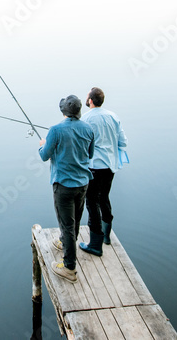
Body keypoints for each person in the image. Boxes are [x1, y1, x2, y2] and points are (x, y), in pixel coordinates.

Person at [38, 95, 94, 283]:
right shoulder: (88, 128)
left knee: (67, 225)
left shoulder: (55, 130)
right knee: (76, 220)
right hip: (83, 183)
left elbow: (44, 156)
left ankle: (69, 267)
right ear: (79, 110)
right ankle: (64, 242)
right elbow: (90, 153)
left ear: (63, 112)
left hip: (63, 185)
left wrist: (42, 145)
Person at [78, 87, 128, 257]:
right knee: (104, 198)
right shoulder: (113, 116)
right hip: (110, 166)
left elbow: (81, 144)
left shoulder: (85, 119)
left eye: (87, 97)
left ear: (90, 100)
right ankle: (107, 236)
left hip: (93, 167)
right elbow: (123, 142)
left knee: (91, 202)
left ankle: (95, 244)